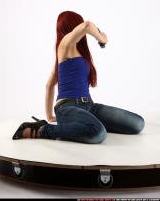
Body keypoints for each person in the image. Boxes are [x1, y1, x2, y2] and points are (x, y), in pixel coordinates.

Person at [12, 10, 145, 143]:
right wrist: (102, 38)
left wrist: (50, 115)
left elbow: (49, 85)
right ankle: (43, 130)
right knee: (98, 133)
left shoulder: (74, 54)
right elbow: (87, 25)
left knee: (137, 124)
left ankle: (83, 126)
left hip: (89, 106)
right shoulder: (64, 46)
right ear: (72, 26)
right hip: (67, 107)